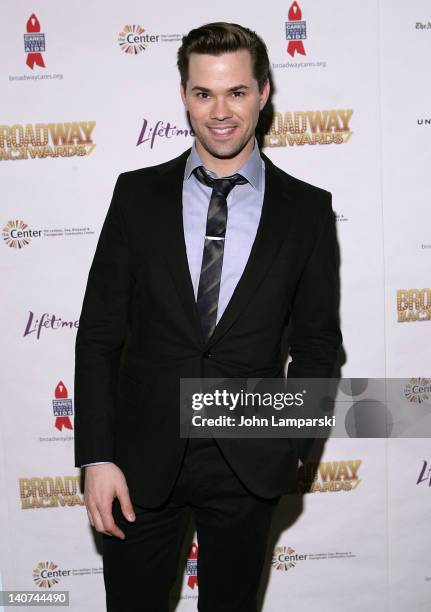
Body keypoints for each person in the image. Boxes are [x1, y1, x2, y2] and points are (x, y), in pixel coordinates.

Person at [74, 22, 342, 612]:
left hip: (248, 458)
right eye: (203, 93)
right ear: (184, 95)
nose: (220, 112)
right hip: (140, 462)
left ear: (264, 93)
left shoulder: (307, 211)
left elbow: (319, 344)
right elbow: (98, 334)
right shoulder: (136, 196)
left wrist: (292, 442)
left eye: (237, 92)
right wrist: (97, 455)